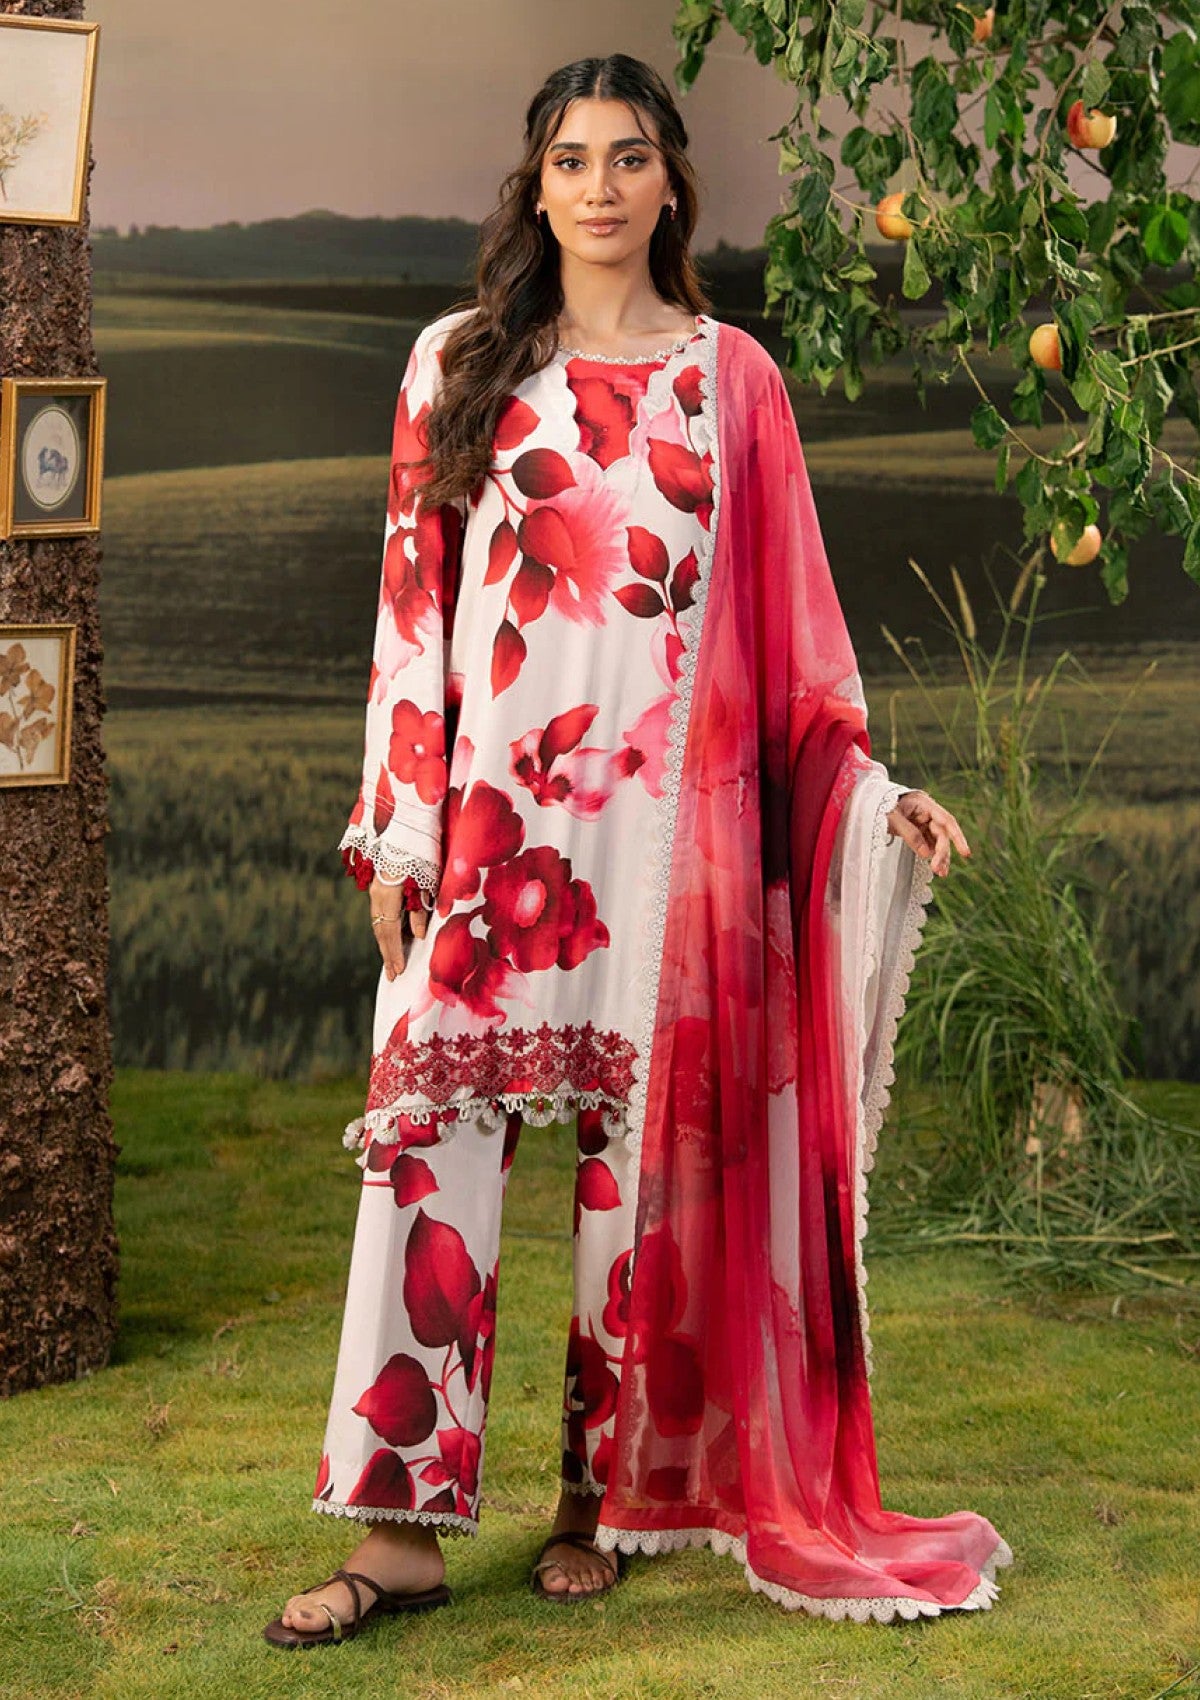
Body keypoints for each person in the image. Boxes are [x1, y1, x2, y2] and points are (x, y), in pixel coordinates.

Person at [263, 52, 1011, 1649]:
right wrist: (398, 828)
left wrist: (868, 794)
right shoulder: (459, 363)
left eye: (627, 158)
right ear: (534, 186)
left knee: (638, 1188)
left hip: (665, 854)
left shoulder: (733, 384)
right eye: (570, 159)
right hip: (488, 836)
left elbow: (799, 645)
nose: (598, 186)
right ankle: (396, 1533)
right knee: (423, 1164)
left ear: (672, 182)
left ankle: (596, 1500)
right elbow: (410, 606)